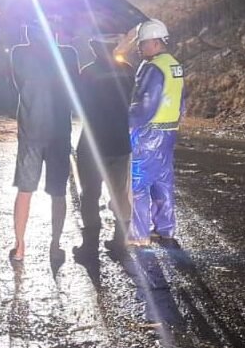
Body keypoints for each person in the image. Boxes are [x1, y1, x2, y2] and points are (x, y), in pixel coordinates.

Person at [10, 24, 79, 263]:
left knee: (25, 189)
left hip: (31, 131)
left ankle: (19, 246)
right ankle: (56, 242)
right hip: (59, 131)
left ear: (30, 34)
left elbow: (19, 84)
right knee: (58, 192)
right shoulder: (69, 54)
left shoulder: (19, 53)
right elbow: (74, 88)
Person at [72, 37, 136, 262]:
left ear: (95, 49)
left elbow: (77, 105)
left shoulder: (87, 72)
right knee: (119, 193)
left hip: (93, 143)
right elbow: (132, 100)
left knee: (90, 194)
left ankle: (89, 247)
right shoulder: (127, 71)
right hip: (119, 142)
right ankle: (119, 243)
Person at [128, 19, 184, 248]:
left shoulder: (152, 68)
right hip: (168, 131)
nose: (139, 48)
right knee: (163, 181)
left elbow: (146, 104)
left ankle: (139, 233)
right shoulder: (174, 65)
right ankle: (165, 227)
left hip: (149, 132)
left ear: (154, 42)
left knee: (138, 183)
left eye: (142, 43)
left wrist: (128, 120)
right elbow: (181, 100)